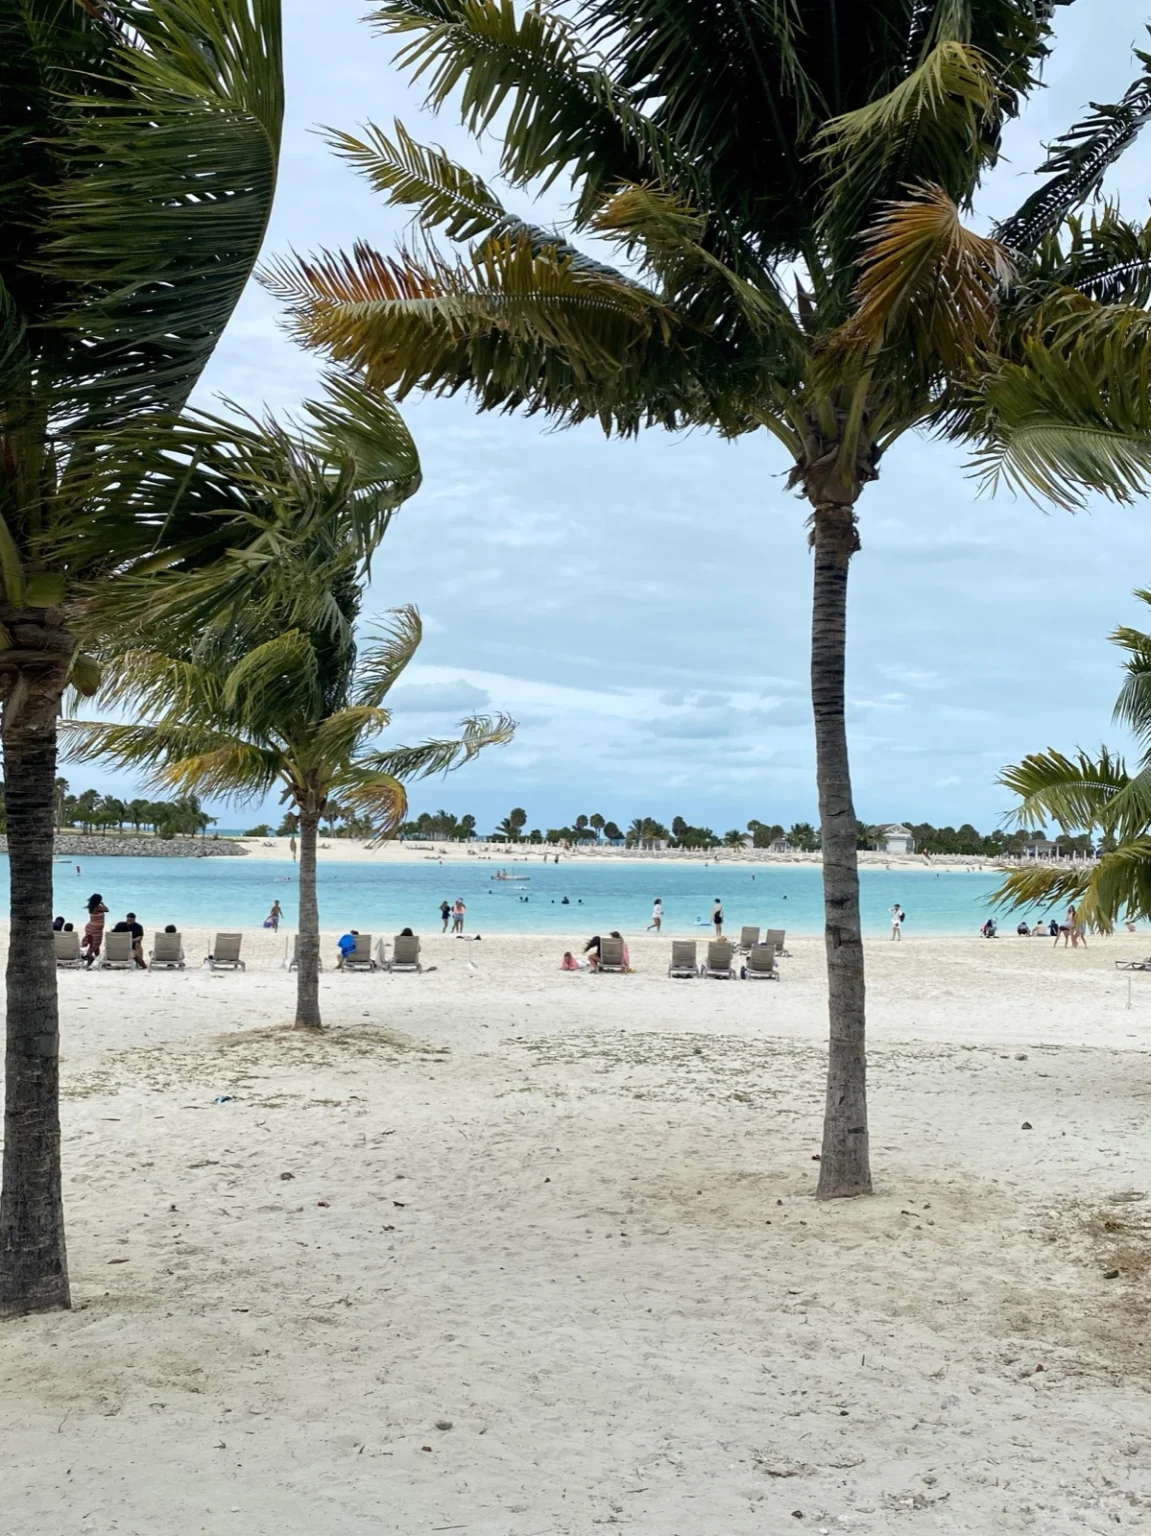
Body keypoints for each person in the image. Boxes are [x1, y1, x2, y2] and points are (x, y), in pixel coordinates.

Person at [82, 893, 108, 968]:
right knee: (95, 944)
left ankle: (97, 959)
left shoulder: (92, 907)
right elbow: (107, 909)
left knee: (95, 944)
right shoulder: (98, 907)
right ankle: (91, 960)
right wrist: (103, 904)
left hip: (92, 927)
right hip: (95, 929)